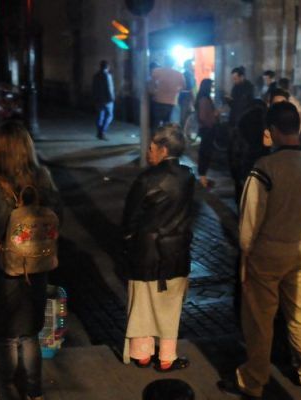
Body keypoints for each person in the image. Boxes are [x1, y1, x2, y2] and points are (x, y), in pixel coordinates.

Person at [219, 102, 301, 398]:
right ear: (298, 127)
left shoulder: (265, 168)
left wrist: (245, 253)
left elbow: (250, 218)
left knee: (259, 319)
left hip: (268, 250)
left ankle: (254, 379)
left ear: (273, 130)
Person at [0, 120, 62, 400]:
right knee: (30, 333)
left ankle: (4, 390)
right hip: (37, 266)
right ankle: (34, 392)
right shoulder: (43, 177)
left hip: (2, 269)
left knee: (7, 336)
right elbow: (59, 218)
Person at [122, 124, 195, 373]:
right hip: (176, 250)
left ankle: (142, 353)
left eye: (152, 147)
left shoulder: (146, 179)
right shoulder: (187, 177)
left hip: (146, 251)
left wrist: (128, 243)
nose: (148, 152)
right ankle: (166, 357)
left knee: (142, 303)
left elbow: (130, 218)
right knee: (170, 306)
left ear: (163, 150)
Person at [229, 99, 270, 203]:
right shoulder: (264, 121)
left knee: (242, 197)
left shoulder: (241, 122)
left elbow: (233, 151)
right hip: (258, 165)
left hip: (243, 166)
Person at [150, 56, 186, 129]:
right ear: (173, 63)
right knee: (169, 126)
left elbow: (151, 85)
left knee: (156, 124)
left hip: (158, 100)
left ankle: (154, 136)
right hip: (172, 102)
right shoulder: (179, 74)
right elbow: (184, 87)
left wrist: (155, 92)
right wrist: (176, 90)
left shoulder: (157, 71)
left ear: (165, 61)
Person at [195, 79, 218, 188]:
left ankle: (203, 178)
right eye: (211, 86)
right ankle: (203, 179)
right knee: (205, 153)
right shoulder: (204, 99)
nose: (212, 88)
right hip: (207, 129)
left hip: (206, 128)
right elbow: (203, 116)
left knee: (205, 152)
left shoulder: (203, 98)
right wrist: (212, 120)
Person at [92, 60, 115, 140]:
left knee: (100, 116)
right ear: (107, 67)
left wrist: (94, 98)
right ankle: (102, 131)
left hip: (98, 99)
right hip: (107, 100)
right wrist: (112, 98)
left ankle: (99, 132)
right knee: (110, 115)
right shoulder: (107, 76)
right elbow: (109, 88)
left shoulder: (95, 76)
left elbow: (94, 88)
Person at [178, 59, 196, 129]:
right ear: (188, 65)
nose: (193, 66)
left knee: (185, 116)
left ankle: (183, 131)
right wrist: (194, 99)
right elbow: (190, 88)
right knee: (185, 117)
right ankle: (183, 131)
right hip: (186, 98)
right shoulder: (188, 74)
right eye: (191, 64)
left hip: (185, 98)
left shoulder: (185, 74)